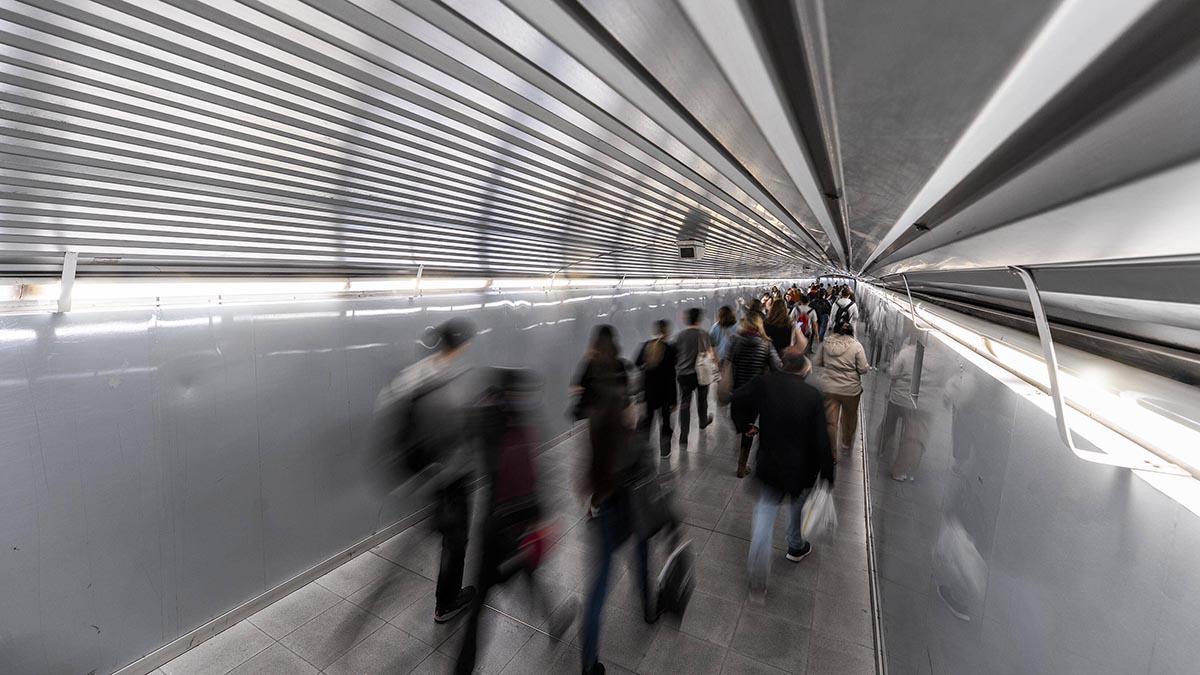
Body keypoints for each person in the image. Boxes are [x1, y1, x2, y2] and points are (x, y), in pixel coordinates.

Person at [455, 369, 571, 674]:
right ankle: (554, 617)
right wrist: (542, 517)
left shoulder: (485, 420)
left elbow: (466, 431)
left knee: (486, 598)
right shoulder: (519, 429)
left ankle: (462, 668)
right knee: (526, 571)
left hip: (491, 524)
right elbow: (529, 479)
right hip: (515, 526)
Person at [373, 318, 478, 623]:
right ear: (462, 345)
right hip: (451, 475)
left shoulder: (413, 375)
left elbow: (387, 409)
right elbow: (460, 433)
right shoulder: (454, 380)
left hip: (425, 475)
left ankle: (445, 594)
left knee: (447, 535)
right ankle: (447, 603)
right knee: (456, 541)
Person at [570, 326, 656, 675]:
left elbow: (586, 474)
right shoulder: (627, 420)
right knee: (642, 554)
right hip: (631, 501)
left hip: (603, 502)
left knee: (599, 585)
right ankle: (648, 607)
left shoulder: (595, 424)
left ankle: (589, 662)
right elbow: (641, 457)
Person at [732, 349, 833, 599]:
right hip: (802, 469)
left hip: (770, 464)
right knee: (797, 507)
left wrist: (744, 426)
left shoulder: (765, 383)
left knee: (765, 515)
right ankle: (795, 546)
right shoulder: (813, 395)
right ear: (803, 371)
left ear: (784, 367)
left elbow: (737, 398)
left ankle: (757, 578)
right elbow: (822, 439)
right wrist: (828, 474)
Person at [725, 310, 782, 477]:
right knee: (749, 426)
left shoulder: (735, 341)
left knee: (743, 424)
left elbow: (728, 362)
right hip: (756, 393)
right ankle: (742, 466)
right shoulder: (766, 344)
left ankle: (742, 446)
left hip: (737, 391)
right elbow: (777, 367)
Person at [815, 320, 870, 455]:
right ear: (851, 332)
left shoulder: (826, 343)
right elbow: (863, 369)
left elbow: (817, 361)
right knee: (849, 418)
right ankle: (846, 443)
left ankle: (831, 452)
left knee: (830, 421)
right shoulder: (856, 346)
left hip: (829, 387)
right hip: (850, 390)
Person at [636, 320, 678, 457]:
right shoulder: (670, 349)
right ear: (667, 332)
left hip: (649, 392)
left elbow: (636, 363)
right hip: (665, 394)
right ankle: (665, 452)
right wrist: (674, 399)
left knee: (647, 422)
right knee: (665, 422)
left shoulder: (645, 346)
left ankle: (642, 451)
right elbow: (672, 376)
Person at [675, 308, 715, 448]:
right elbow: (709, 353)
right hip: (700, 373)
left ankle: (683, 435)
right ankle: (703, 421)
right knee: (702, 399)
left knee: (685, 404)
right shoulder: (703, 334)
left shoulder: (680, 335)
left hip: (684, 375)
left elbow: (677, 354)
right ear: (699, 319)